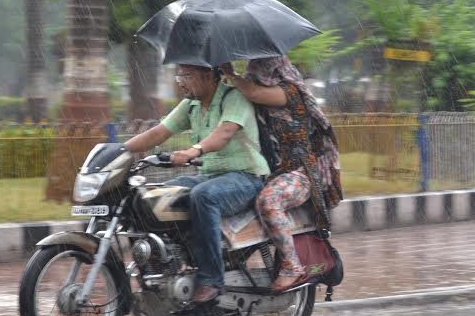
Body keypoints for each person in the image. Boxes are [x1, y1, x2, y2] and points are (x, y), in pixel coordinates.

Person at [123, 64, 270, 303]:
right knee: (152, 197)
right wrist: (119, 150)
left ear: (209, 76)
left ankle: (211, 279)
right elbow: (159, 132)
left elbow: (224, 133)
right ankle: (170, 265)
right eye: (179, 75)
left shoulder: (234, 98)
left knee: (204, 196)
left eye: (187, 76)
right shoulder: (190, 105)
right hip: (211, 176)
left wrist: (194, 150)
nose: (180, 81)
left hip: (246, 177)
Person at [221, 57, 343, 293]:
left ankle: (291, 266)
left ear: (276, 70)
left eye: (259, 69)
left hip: (299, 172)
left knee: (269, 201)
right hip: (270, 171)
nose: (253, 73)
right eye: (252, 70)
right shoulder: (253, 94)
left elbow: (255, 93)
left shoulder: (290, 92)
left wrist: (231, 74)